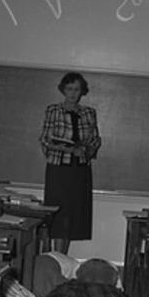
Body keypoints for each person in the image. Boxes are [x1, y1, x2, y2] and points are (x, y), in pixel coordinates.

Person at [39, 71, 101, 254]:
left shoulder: (89, 113)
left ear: (82, 91)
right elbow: (45, 140)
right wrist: (68, 149)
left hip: (80, 170)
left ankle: (62, 257)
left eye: (77, 89)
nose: (73, 93)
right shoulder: (53, 110)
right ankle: (54, 257)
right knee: (58, 215)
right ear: (63, 90)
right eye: (69, 89)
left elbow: (95, 139)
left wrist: (88, 149)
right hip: (58, 169)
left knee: (73, 217)